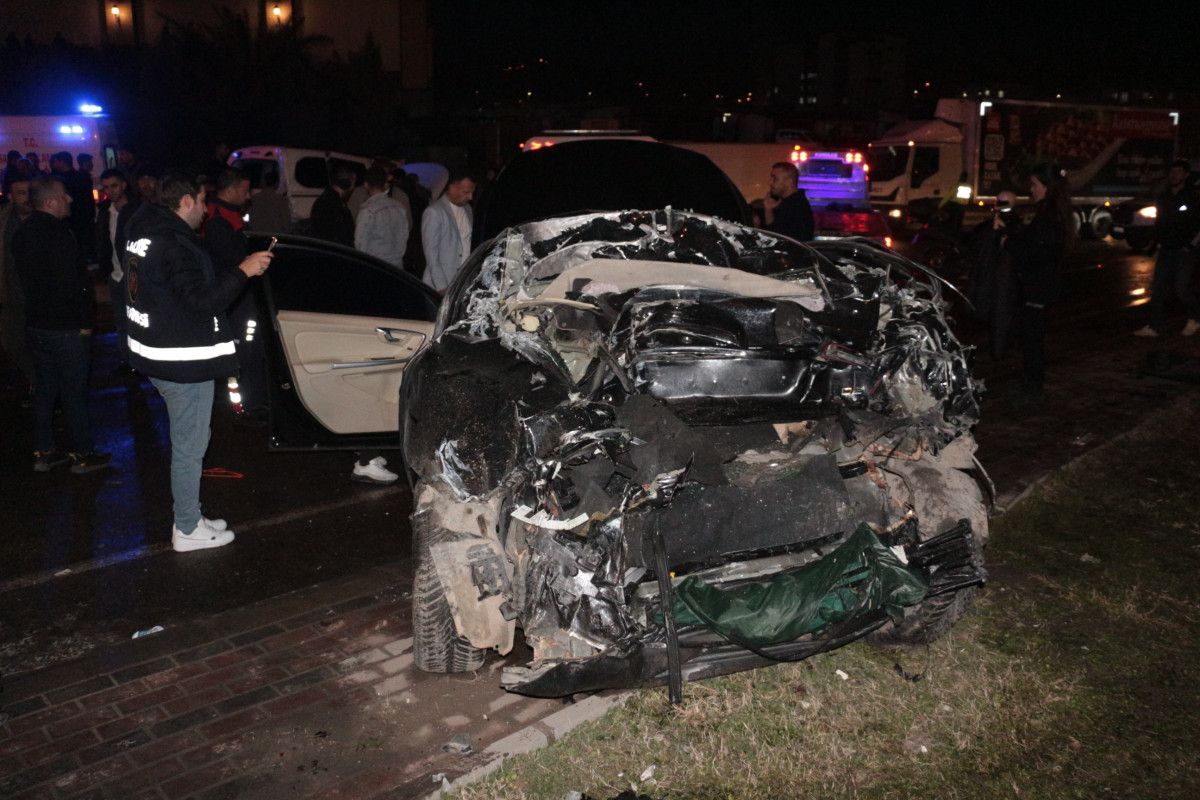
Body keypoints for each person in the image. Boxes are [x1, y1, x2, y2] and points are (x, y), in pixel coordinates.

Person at [124, 173, 273, 551]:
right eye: (203, 201)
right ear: (186, 201)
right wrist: (243, 271)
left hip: (160, 354)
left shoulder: (146, 231)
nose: (206, 210)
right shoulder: (173, 243)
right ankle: (187, 528)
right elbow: (202, 302)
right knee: (190, 447)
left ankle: (190, 515)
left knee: (193, 440)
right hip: (182, 362)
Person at [11, 176, 110, 473]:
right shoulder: (59, 234)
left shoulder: (22, 233)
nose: (70, 199)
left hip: (37, 323)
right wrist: (85, 321)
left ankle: (44, 451)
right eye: (65, 195)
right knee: (73, 390)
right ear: (51, 201)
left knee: (45, 388)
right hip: (65, 327)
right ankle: (82, 453)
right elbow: (73, 284)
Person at [1003, 163, 1073, 406]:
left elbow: (1034, 251)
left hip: (1039, 288)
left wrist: (1008, 242)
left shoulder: (1049, 217)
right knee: (1031, 337)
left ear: (1047, 187)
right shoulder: (1050, 213)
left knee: (1032, 338)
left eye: (1034, 185)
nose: (1031, 189)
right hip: (1040, 286)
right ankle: (1030, 382)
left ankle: (1033, 387)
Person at [201, 167, 268, 418]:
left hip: (236, 295)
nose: (248, 195)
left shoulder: (227, 214)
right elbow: (232, 261)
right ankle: (247, 406)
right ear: (230, 190)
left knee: (247, 349)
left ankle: (249, 401)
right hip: (235, 297)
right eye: (245, 190)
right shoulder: (218, 221)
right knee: (244, 350)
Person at [1134, 159, 1200, 338]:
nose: (1174, 175)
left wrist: (1191, 244)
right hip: (1166, 248)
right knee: (1158, 288)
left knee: (1181, 289)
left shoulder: (1193, 197)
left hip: (1185, 250)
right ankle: (1153, 326)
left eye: (1178, 172)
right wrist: (1154, 243)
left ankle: (1195, 317)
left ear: (1186, 175)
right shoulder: (1164, 197)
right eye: (1172, 172)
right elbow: (1160, 222)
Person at [968, 190, 1020, 359]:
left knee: (1000, 317)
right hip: (992, 280)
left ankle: (999, 351)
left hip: (1001, 281)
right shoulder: (988, 228)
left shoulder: (1013, 229)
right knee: (996, 316)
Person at [97, 168, 140, 372]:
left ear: (123, 185)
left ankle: (139, 359)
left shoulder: (135, 209)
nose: (110, 191)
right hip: (115, 274)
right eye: (106, 187)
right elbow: (103, 241)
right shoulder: (105, 211)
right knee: (121, 320)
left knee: (137, 319)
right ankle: (127, 359)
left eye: (114, 185)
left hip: (132, 273)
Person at [0, 174, 35, 390]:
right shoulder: (4, 221)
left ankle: (41, 386)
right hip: (11, 293)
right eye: (21, 193)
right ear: (11, 197)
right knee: (12, 342)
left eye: (29, 192)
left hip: (38, 296)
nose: (27, 198)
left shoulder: (44, 219)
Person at [421, 167, 476, 293]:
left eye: (472, 192)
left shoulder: (467, 209)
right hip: (439, 285)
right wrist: (442, 287)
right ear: (452, 187)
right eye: (466, 192)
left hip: (461, 282)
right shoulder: (434, 212)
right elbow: (431, 254)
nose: (471, 197)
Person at [354, 165, 409, 267]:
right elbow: (404, 236)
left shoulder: (367, 210)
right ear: (385, 184)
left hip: (375, 266)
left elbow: (360, 243)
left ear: (366, 184)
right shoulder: (399, 207)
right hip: (396, 265)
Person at [49, 152, 96, 266]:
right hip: (84, 216)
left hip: (71, 218)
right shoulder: (81, 176)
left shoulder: (61, 180)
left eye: (56, 161)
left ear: (61, 162)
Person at [762, 161, 814, 242]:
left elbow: (777, 239)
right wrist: (768, 210)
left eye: (775, 179)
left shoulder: (795, 207)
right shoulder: (790, 204)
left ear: (789, 182)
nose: (770, 183)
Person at [310, 166, 356, 246]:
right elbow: (342, 234)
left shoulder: (328, 200)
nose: (353, 188)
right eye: (352, 184)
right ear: (346, 184)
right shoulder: (333, 204)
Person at [246, 166, 291, 233]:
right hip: (276, 236)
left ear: (263, 182)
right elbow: (286, 222)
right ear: (276, 183)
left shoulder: (254, 199)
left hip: (257, 235)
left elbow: (248, 219)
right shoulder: (281, 200)